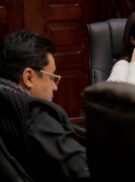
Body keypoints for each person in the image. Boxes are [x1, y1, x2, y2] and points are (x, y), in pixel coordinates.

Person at [0, 31, 90, 181]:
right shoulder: (36, 118)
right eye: (52, 78)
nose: (55, 87)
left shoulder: (5, 103)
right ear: (28, 77)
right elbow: (83, 170)